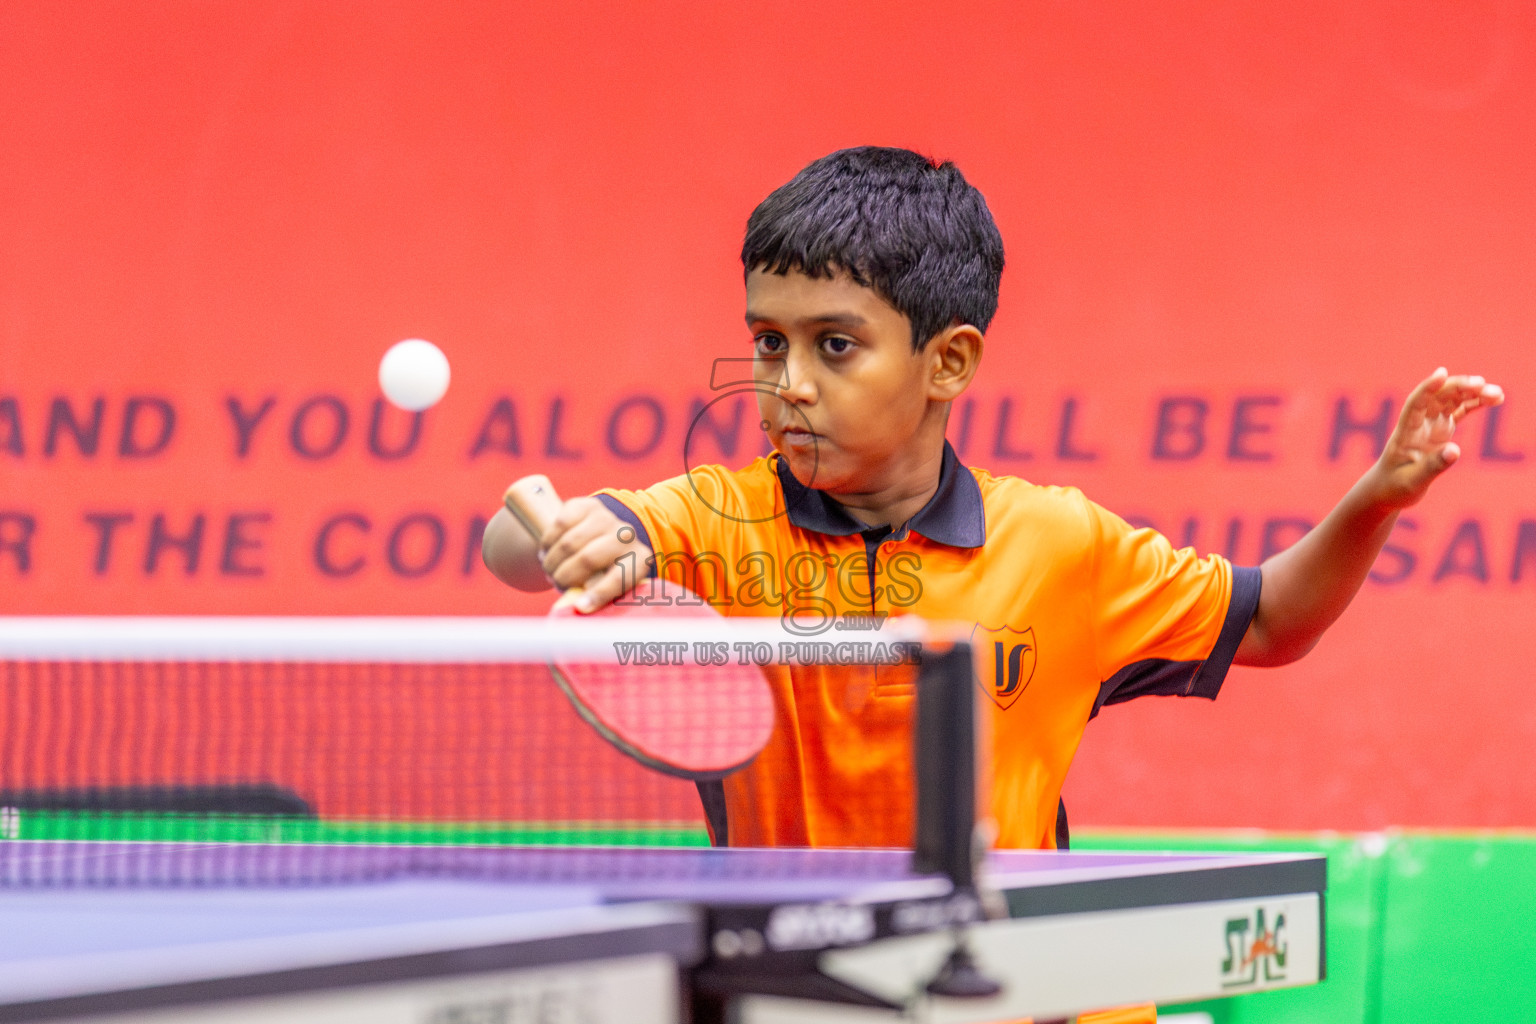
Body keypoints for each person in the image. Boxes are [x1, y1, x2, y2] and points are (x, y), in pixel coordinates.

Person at [482, 146, 1502, 1021]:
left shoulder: (1058, 543)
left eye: (834, 345)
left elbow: (1271, 617)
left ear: (950, 361)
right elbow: (521, 548)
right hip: (794, 990)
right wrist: (568, 540)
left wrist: (1377, 497)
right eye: (767, 341)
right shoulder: (712, 519)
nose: (787, 382)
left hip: (1021, 992)